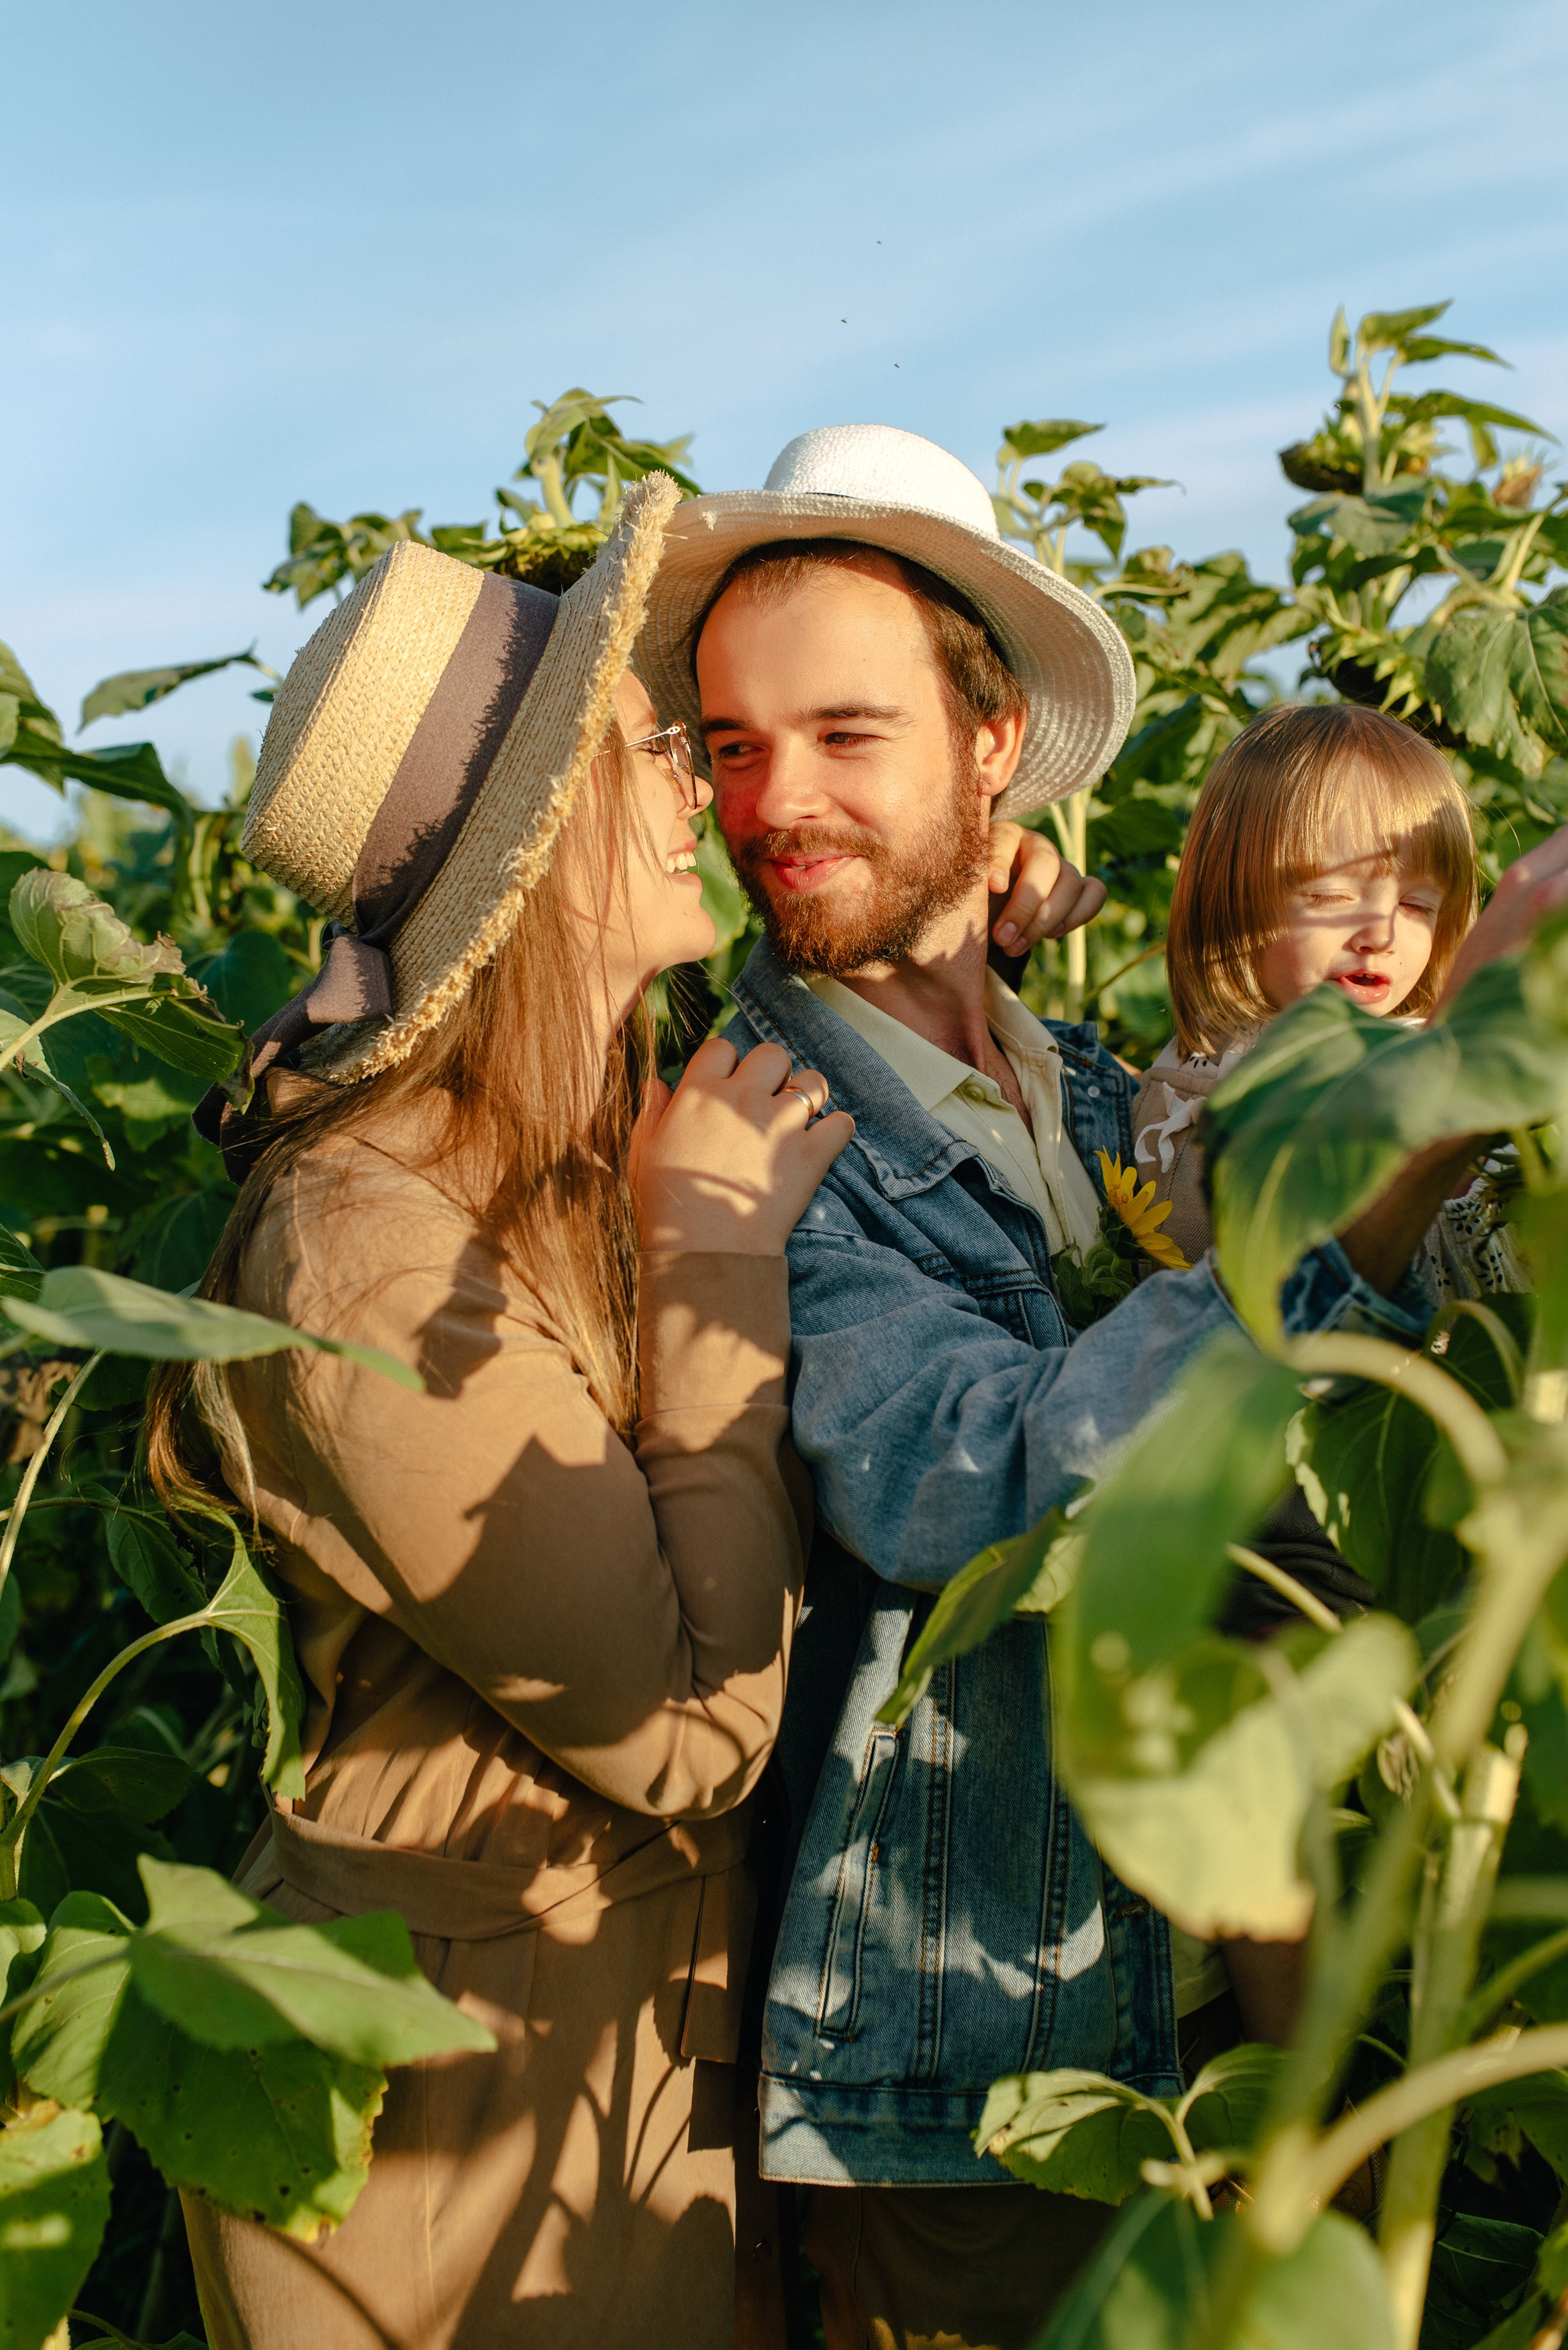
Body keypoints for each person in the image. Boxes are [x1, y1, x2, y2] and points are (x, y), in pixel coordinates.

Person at [636, 423, 1568, 2350]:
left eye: (845, 734)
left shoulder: (1086, 1077)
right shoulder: (758, 1136)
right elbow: (979, 1479)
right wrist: (1397, 1149)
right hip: (988, 2053)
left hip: (1230, 2002)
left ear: (993, 749)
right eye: (731, 744)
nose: (774, 801)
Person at [146, 476, 859, 2350]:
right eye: (653, 747)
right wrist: (718, 1273)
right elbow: (689, 1722)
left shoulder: (554, 1134)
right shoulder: (367, 1252)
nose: (700, 780)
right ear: (536, 843)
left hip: (611, 2059)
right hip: (450, 2145)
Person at [1131, 698, 1522, 1300]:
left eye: (1417, 906)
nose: (1382, 936)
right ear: (1234, 896)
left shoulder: (1427, 1050)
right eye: (1334, 896)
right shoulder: (1205, 1087)